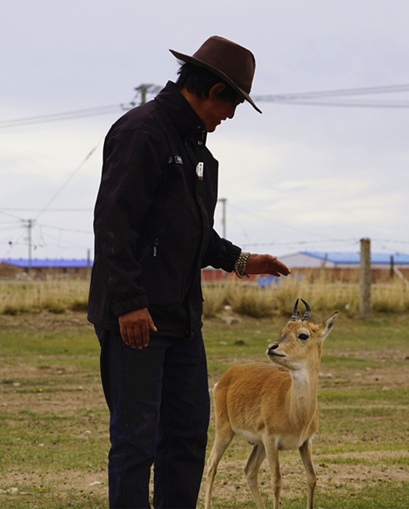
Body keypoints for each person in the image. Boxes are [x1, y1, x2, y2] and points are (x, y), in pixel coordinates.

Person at [88, 36, 291, 509]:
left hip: (180, 319)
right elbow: (114, 223)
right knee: (136, 439)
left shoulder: (196, 148)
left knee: (185, 435)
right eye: (233, 104)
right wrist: (129, 304)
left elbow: (189, 232)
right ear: (214, 91)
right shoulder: (143, 132)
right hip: (136, 319)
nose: (231, 116)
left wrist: (241, 261)